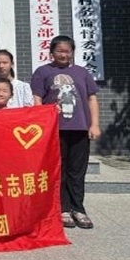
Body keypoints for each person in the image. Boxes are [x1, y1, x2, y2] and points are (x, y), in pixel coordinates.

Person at [31, 35, 100, 230]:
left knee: (77, 171)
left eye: (67, 51)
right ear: (51, 52)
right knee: (58, 170)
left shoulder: (82, 72)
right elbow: (37, 100)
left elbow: (92, 99)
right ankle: (63, 209)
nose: (64, 54)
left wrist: (94, 125)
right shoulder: (43, 72)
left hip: (80, 128)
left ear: (72, 52)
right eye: (59, 51)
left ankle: (78, 209)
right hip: (55, 129)